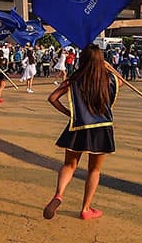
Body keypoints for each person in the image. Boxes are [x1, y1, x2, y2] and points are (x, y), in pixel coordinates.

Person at [43, 44, 118, 221]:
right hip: (101, 128)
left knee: (69, 165)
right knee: (94, 170)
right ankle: (85, 209)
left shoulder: (74, 79)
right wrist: (110, 68)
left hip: (79, 126)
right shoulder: (109, 79)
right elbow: (120, 82)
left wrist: (70, 113)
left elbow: (52, 98)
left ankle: (59, 194)